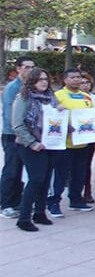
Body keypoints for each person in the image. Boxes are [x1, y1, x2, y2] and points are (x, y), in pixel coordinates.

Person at [11, 68, 61, 231]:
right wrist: (32, 143)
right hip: (30, 145)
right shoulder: (24, 98)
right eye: (40, 79)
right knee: (36, 179)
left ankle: (40, 212)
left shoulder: (51, 98)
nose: (44, 82)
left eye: (46, 79)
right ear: (32, 81)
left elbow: (55, 120)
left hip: (50, 144)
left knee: (46, 179)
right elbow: (18, 124)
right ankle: (24, 218)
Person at [48, 68, 95, 216]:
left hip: (83, 143)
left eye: (78, 77)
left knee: (79, 173)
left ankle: (76, 199)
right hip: (64, 143)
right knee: (61, 174)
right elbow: (51, 116)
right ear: (65, 80)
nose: (76, 80)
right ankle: (54, 201)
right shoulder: (58, 95)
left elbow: (91, 116)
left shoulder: (86, 97)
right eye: (72, 77)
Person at [1, 56, 34, 219]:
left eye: (32, 67)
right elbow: (9, 114)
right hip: (12, 135)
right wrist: (18, 132)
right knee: (11, 170)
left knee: (21, 170)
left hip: (25, 136)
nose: (30, 70)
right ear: (18, 69)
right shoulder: (12, 88)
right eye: (26, 67)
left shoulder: (30, 87)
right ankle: (5, 204)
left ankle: (16, 202)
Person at [78, 72, 95, 203]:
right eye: (82, 83)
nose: (85, 85)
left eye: (87, 83)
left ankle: (87, 191)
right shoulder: (75, 97)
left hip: (90, 136)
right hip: (76, 136)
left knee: (87, 164)